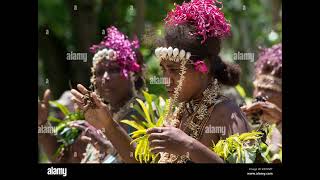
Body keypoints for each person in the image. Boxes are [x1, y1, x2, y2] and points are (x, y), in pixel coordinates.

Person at [71, 0, 250, 163]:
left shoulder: (228, 113)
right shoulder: (175, 114)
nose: (166, 80)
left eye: (174, 70)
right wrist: (108, 124)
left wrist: (189, 146)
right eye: (164, 70)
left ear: (202, 68)